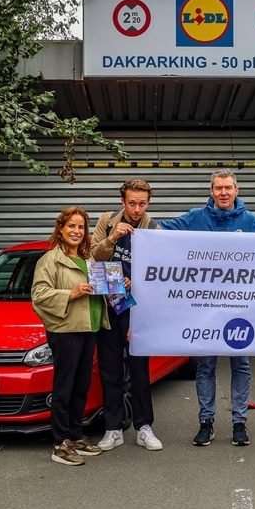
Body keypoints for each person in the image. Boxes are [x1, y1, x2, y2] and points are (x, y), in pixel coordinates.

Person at [158, 169, 255, 446]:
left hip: (240, 309)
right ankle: (206, 422)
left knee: (241, 365)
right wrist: (135, 230)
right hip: (204, 308)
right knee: (205, 366)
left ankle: (239, 423)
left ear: (237, 190)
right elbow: (161, 230)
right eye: (218, 188)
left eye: (228, 188)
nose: (223, 192)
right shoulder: (196, 217)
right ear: (211, 191)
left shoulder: (250, 221)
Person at [31, 207, 110, 466]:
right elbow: (39, 296)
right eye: (71, 226)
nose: (77, 231)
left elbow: (101, 289)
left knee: (81, 387)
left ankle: (76, 435)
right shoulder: (50, 260)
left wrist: (117, 284)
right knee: (64, 388)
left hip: (89, 328)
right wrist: (70, 293)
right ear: (61, 229)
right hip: (65, 331)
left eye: (81, 227)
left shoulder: (87, 259)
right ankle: (60, 442)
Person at [91, 179, 163, 451]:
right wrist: (111, 239)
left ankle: (144, 427)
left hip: (138, 311)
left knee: (140, 370)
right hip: (109, 306)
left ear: (148, 203)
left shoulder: (155, 228)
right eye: (132, 203)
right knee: (110, 370)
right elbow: (92, 258)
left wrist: (138, 283)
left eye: (142, 203)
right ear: (123, 202)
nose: (136, 209)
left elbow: (161, 274)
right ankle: (113, 428)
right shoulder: (106, 221)